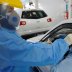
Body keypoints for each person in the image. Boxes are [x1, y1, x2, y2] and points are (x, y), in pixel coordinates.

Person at [0, 4, 71, 72]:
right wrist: (66, 41)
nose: (14, 13)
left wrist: (45, 45)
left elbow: (24, 46)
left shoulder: (6, 32)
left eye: (13, 9)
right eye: (10, 10)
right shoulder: (4, 39)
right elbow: (47, 54)